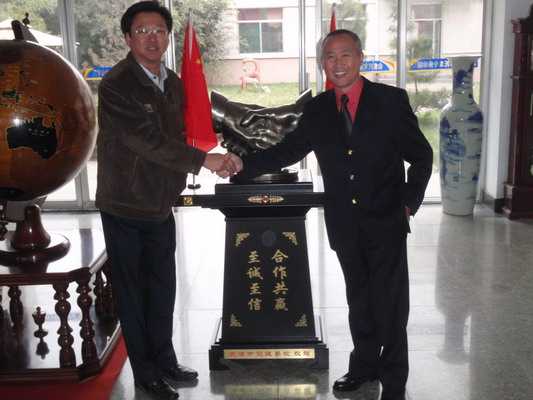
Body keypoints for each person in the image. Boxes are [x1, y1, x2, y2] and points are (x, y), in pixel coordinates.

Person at [226, 29, 433, 400]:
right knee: (359, 300)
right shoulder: (319, 108)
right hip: (344, 223)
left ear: (360, 57)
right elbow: (289, 150)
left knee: (390, 303)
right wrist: (242, 165)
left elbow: (421, 156)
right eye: (330, 57)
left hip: (386, 220)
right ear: (323, 63)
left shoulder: (390, 101)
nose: (338, 64)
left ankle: (394, 379)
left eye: (345, 55)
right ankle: (363, 367)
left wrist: (407, 202)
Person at [95, 2, 236, 399]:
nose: (152, 38)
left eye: (159, 30)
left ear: (168, 36)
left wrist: (218, 152)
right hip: (125, 204)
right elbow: (146, 140)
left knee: (162, 287)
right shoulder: (116, 85)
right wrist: (204, 160)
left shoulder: (172, 81)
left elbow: (179, 135)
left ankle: (166, 360)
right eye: (142, 31)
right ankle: (146, 373)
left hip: (159, 203)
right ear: (128, 38)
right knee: (133, 293)